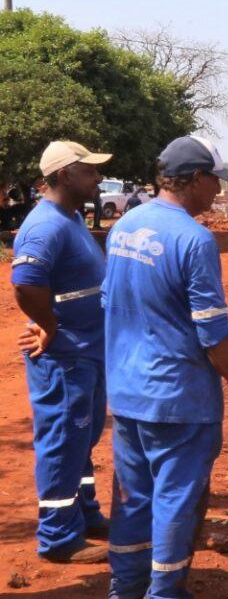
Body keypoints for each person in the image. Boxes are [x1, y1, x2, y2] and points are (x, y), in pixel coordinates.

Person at [102, 135, 228, 599]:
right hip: (177, 395)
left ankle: (124, 592)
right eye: (215, 181)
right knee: (176, 498)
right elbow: (212, 330)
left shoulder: (125, 226)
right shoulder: (193, 240)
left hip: (127, 390)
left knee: (131, 494)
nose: (218, 191)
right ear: (194, 179)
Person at [10, 141, 113, 563]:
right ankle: (57, 537)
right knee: (61, 440)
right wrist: (50, 325)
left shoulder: (69, 218)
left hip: (86, 349)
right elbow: (25, 283)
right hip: (66, 354)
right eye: (89, 171)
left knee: (81, 438)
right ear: (66, 175)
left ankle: (85, 514)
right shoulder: (46, 226)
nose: (98, 177)